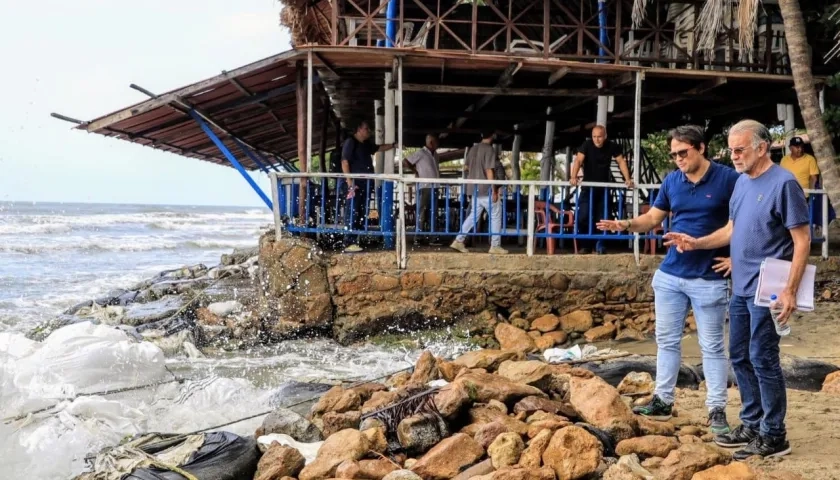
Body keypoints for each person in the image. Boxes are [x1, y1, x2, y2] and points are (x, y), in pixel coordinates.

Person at [664, 119, 811, 460]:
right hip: (741, 286)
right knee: (740, 356)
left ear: (763, 148)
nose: (734, 156)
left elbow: (802, 241)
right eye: (730, 150)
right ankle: (753, 422)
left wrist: (789, 291)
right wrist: (697, 242)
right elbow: (731, 230)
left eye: (740, 149)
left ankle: (774, 435)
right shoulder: (742, 183)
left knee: (763, 357)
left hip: (768, 289)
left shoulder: (785, 183)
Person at [596, 125, 740, 435]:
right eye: (673, 154)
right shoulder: (672, 180)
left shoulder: (729, 179)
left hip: (709, 277)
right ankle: (662, 400)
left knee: (712, 347)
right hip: (671, 275)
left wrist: (736, 259)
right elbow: (653, 219)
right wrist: (624, 224)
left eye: (683, 153)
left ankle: (716, 408)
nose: (677, 159)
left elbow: (740, 225)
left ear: (701, 148)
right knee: (666, 342)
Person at [569, 125, 634, 254]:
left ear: (605, 136)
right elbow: (578, 161)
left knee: (603, 218)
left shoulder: (612, 146)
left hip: (604, 188)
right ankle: (586, 245)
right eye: (594, 137)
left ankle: (600, 244)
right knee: (583, 216)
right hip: (588, 188)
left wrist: (628, 179)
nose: (597, 140)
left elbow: (621, 162)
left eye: (599, 137)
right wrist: (573, 177)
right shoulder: (587, 145)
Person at [340, 119, 396, 253]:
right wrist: (350, 183)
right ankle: (348, 241)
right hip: (354, 184)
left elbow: (380, 148)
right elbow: (344, 162)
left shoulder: (365, 145)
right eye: (366, 128)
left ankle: (355, 239)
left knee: (361, 212)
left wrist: (394, 145)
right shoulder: (350, 142)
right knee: (352, 211)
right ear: (359, 129)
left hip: (365, 184)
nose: (369, 131)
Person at [450, 132, 508, 255]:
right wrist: (494, 190)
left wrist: (476, 172)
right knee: (496, 215)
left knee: (473, 216)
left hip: (474, 189)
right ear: (492, 135)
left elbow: (466, 167)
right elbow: (489, 170)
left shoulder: (472, 149)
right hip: (486, 189)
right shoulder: (489, 150)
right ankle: (495, 245)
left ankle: (459, 240)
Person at [404, 134, 442, 245]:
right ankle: (418, 237)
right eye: (436, 142)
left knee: (433, 213)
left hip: (434, 186)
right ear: (431, 142)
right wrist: (415, 171)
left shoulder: (435, 155)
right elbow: (405, 161)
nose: (438, 144)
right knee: (422, 212)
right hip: (425, 186)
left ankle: (433, 237)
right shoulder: (421, 153)